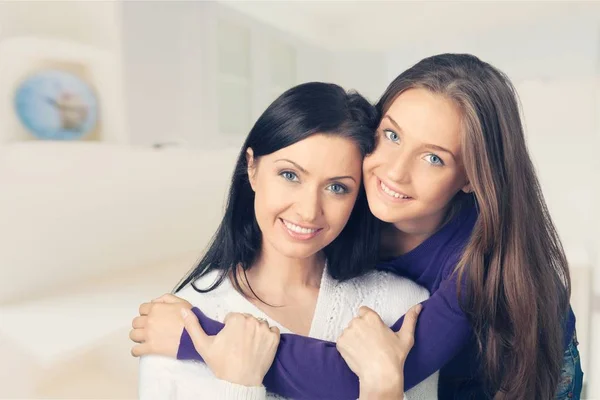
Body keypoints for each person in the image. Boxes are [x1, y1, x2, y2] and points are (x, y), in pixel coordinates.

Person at [134, 54, 582, 399]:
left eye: (433, 158)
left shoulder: (477, 261)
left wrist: (203, 339)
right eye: (391, 135)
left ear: (471, 178)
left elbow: (372, 376)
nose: (394, 172)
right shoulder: (357, 189)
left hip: (517, 369)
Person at [132, 82, 438, 399]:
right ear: (252, 167)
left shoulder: (400, 307)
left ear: (357, 197)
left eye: (337, 188)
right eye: (290, 175)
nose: (308, 211)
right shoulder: (181, 321)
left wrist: (384, 386)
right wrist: (240, 384)